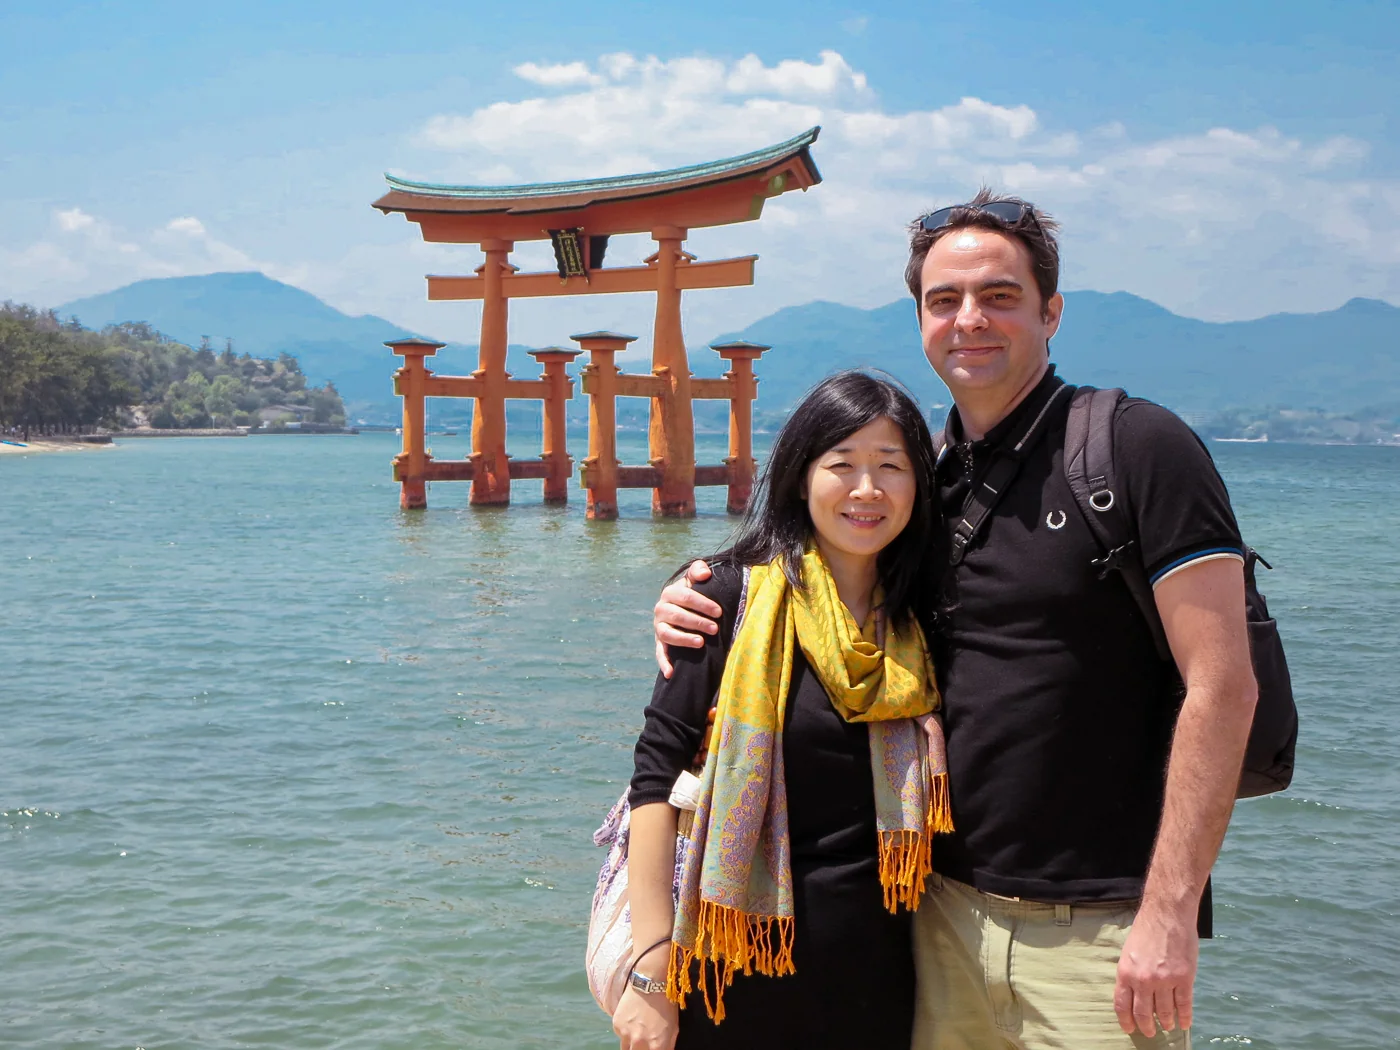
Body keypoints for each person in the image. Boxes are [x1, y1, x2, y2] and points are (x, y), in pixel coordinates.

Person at [651, 191, 1259, 1050]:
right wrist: (694, 593)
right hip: (935, 918)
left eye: (1000, 296)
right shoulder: (926, 485)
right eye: (945, 300)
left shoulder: (1135, 448)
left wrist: (1169, 915)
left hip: (1098, 928)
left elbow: (1223, 685)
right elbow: (815, 582)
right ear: (921, 322)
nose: (969, 319)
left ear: (1051, 312)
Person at [613, 371, 950, 1050]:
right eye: (842, 465)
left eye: (891, 467)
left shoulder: (925, 617)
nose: (867, 489)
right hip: (729, 967)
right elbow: (655, 777)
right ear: (800, 477)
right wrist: (650, 968)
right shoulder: (726, 598)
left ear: (919, 484)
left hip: (879, 978)